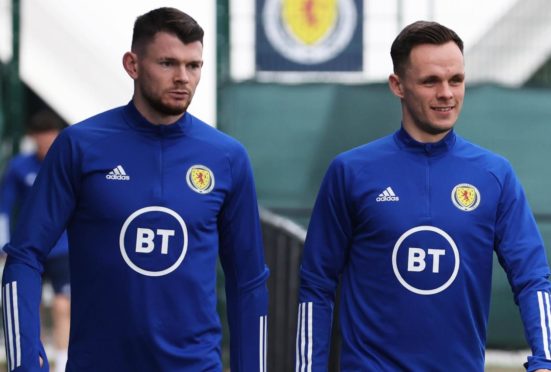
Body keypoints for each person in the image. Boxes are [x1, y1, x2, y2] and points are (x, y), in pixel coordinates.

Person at [1, 7, 268, 372]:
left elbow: (249, 281)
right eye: (167, 63)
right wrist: (24, 363)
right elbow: (24, 257)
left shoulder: (227, 157)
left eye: (194, 66)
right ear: (132, 64)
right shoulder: (79, 146)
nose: (182, 78)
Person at [295, 20, 551, 372]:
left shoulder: (494, 175)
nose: (446, 93)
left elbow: (532, 276)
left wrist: (544, 359)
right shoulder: (351, 172)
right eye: (430, 81)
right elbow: (316, 284)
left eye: (456, 80)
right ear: (398, 86)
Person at [0, 110, 70, 372]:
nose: (45, 145)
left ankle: (62, 364)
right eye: (40, 139)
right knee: (32, 309)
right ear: (32, 138)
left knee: (63, 306)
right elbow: (5, 207)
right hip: (33, 250)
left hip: (64, 248)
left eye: (50, 138)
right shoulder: (20, 167)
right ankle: (36, 361)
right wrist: (3, 244)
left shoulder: (67, 164)